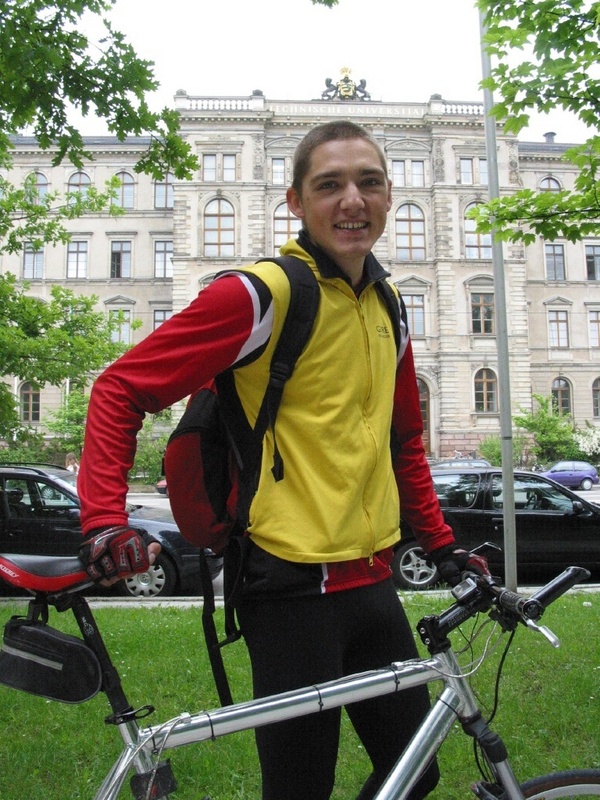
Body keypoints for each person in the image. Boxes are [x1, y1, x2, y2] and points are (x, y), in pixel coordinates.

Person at [77, 120, 488, 800]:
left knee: (417, 766)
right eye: (329, 185)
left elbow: (403, 442)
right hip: (291, 589)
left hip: (373, 579)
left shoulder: (390, 306)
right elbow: (121, 387)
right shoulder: (261, 295)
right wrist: (101, 520)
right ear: (295, 202)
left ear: (389, 197)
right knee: (300, 789)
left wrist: (442, 548)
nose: (351, 200)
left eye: (369, 183)